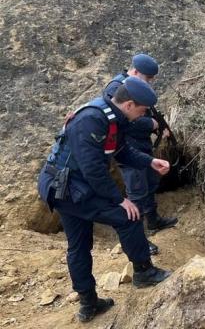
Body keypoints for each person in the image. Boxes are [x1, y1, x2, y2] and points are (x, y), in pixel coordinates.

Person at [37, 77, 171, 323]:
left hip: (67, 186)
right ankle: (144, 272)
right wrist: (120, 200)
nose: (142, 116)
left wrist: (149, 161)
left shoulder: (111, 117)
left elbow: (120, 151)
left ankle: (89, 305)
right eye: (141, 111)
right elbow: (94, 171)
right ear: (129, 104)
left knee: (78, 245)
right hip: (69, 188)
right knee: (129, 217)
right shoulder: (92, 119)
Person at [104, 54, 178, 256]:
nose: (150, 82)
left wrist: (158, 127)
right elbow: (129, 122)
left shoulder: (134, 86)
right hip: (128, 148)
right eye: (148, 78)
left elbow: (145, 112)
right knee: (136, 193)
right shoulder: (117, 88)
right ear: (135, 72)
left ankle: (153, 221)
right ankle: (139, 240)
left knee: (149, 184)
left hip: (141, 147)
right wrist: (151, 124)